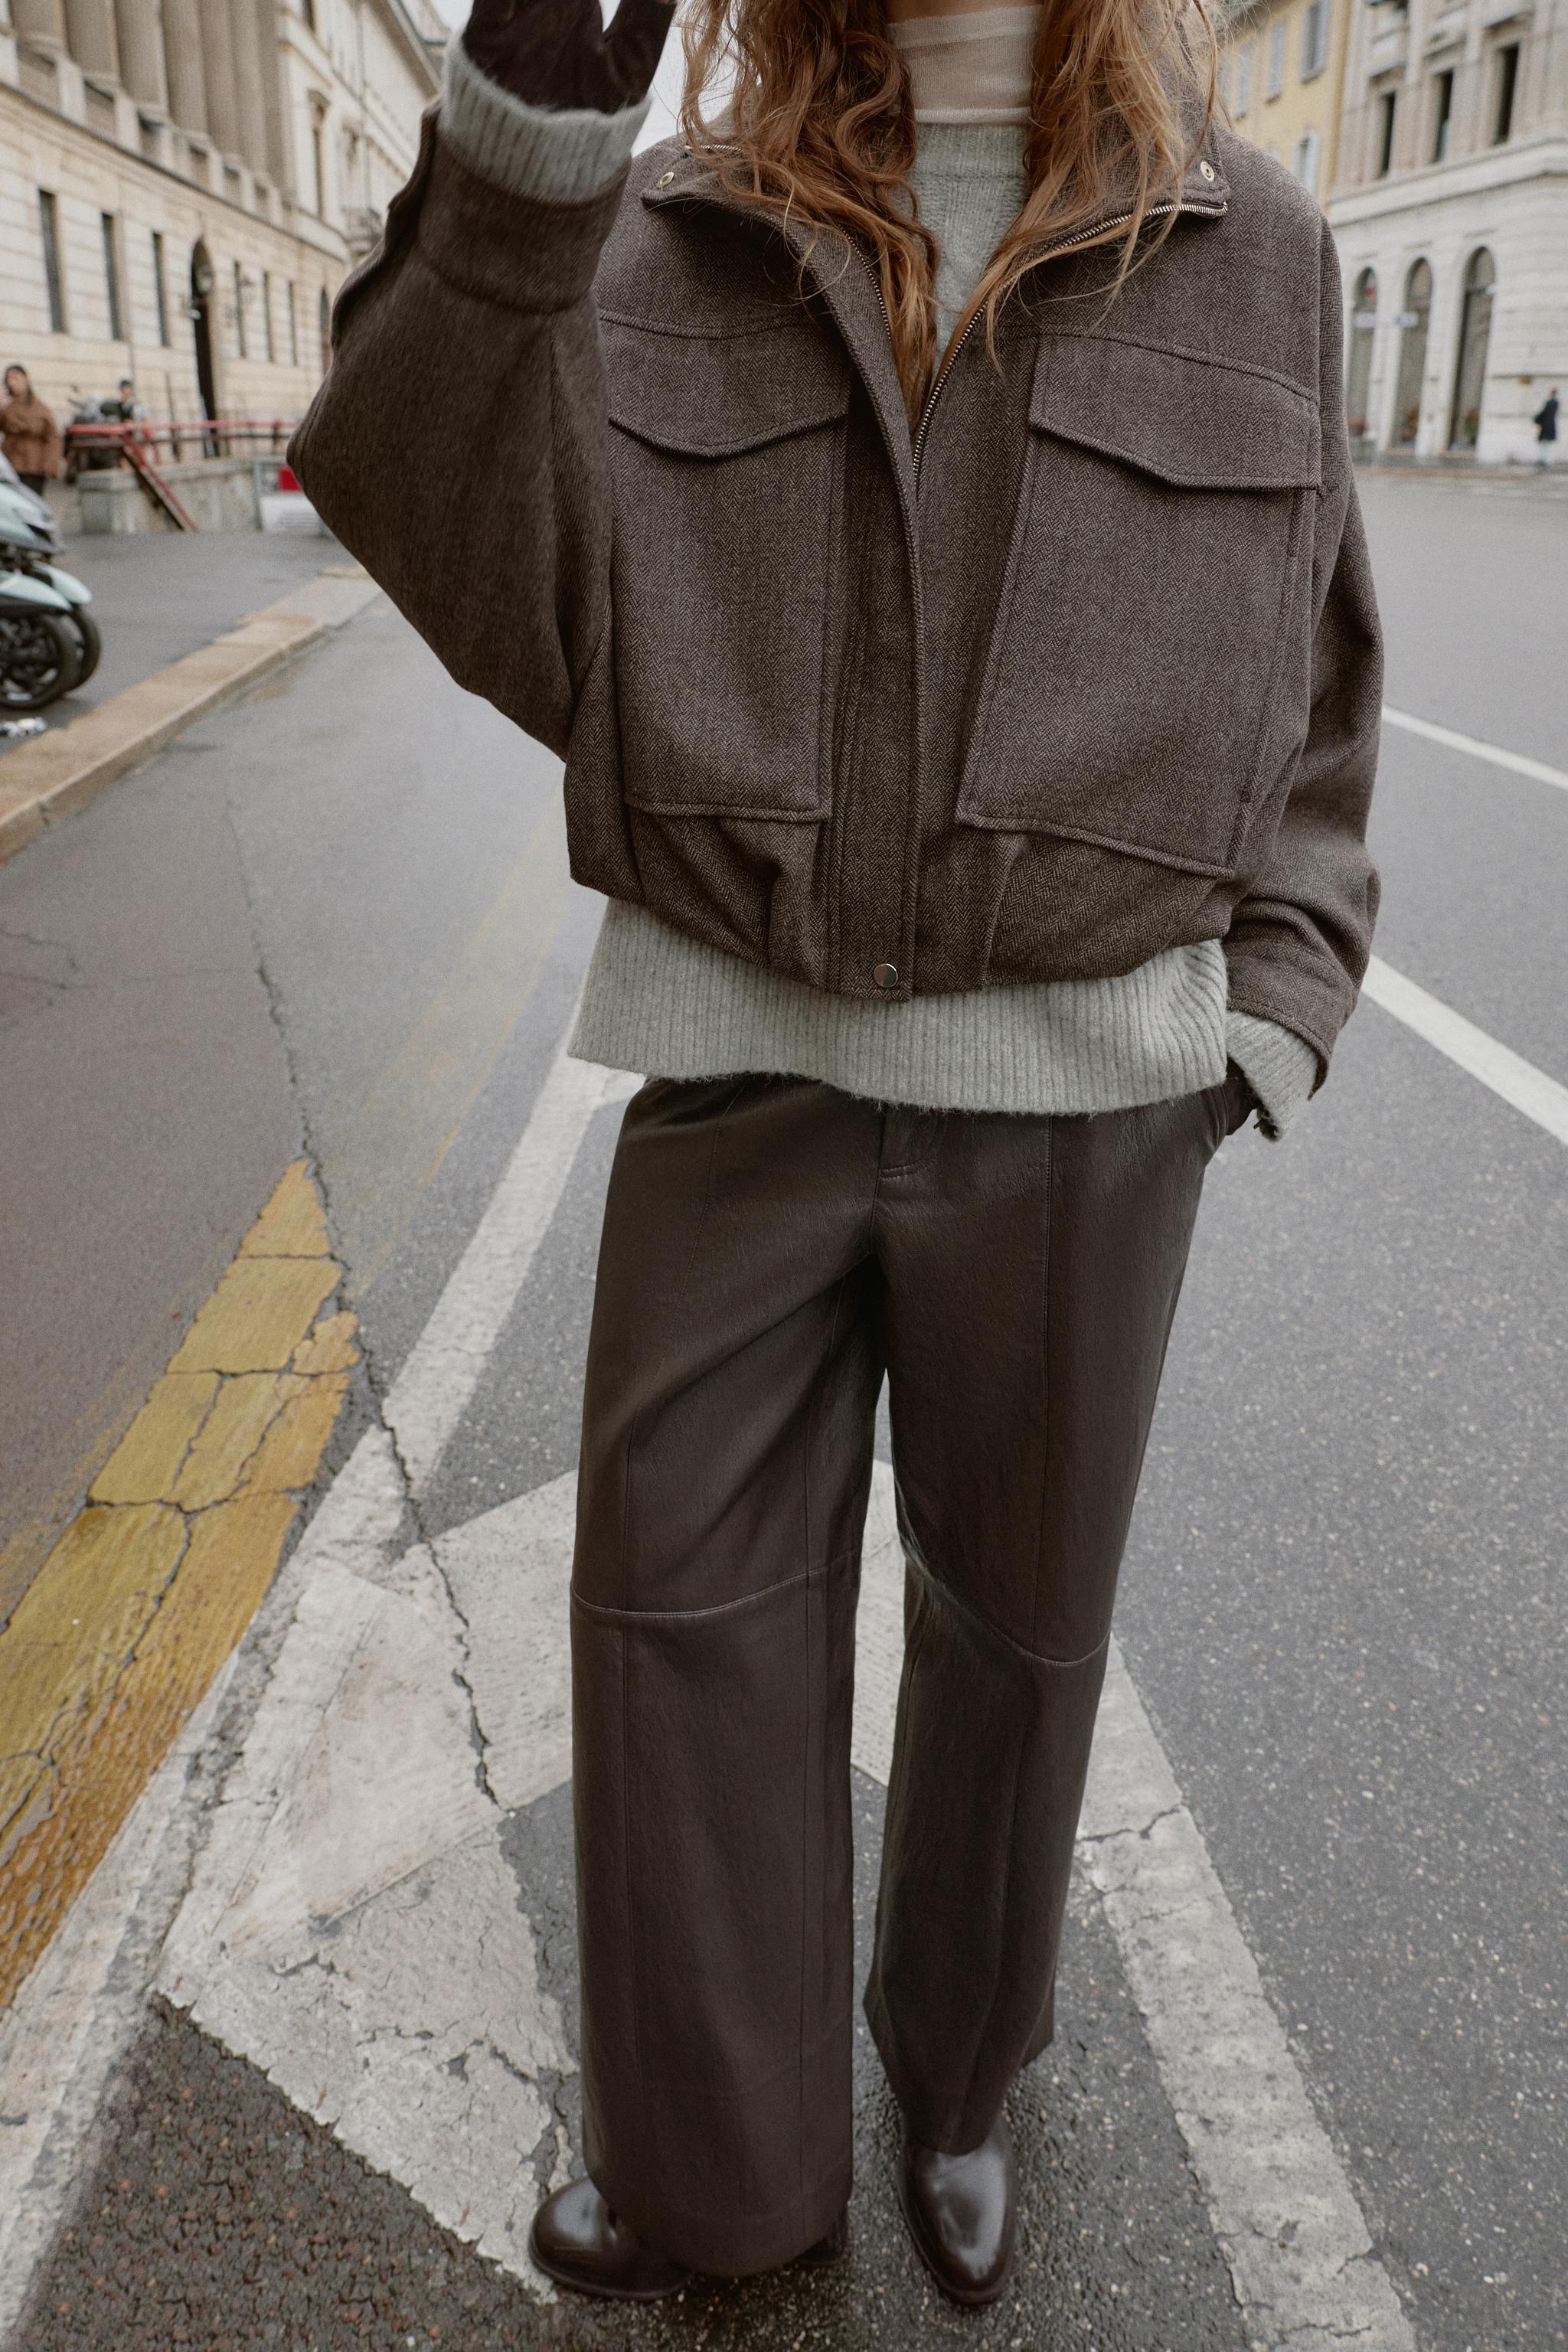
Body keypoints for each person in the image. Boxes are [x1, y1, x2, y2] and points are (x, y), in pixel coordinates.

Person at [291, 0, 1381, 2310]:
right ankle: (719, 2169)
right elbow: (431, 518)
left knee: (1015, 1644)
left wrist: (1261, 1021)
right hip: (740, 1088)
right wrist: (524, 161)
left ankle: (957, 2076)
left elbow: (1316, 676)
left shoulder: (1252, 241)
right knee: (674, 1622)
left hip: (1093, 1117)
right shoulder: (665, 228)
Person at [1, 365, 63, 496]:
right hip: (10, 464)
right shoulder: (6, 406)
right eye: (9, 379)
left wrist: (50, 463)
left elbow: (53, 438)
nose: (12, 382)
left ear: (25, 379)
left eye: (15, 378)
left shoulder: (40, 408)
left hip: (34, 466)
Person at [1534, 387, 1559, 466]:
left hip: (1546, 426)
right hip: (1549, 425)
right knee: (1545, 444)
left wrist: (1538, 419)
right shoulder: (1555, 403)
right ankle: (1543, 459)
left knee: (1545, 444)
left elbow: (1544, 413)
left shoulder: (1551, 403)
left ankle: (1544, 460)